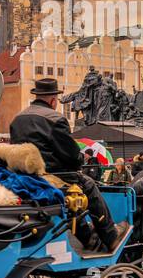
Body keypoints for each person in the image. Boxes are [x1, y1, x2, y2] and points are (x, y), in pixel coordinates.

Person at [9, 77, 120, 251]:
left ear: (36, 95)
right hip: (52, 176)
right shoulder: (55, 119)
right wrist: (79, 160)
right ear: (53, 100)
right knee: (88, 185)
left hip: (23, 177)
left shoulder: (18, 119)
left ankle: (88, 237)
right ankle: (111, 236)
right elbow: (71, 156)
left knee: (75, 193)